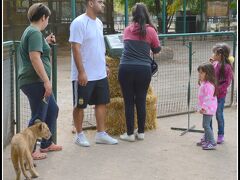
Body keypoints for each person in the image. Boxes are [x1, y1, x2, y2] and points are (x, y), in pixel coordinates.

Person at [69, 0, 118, 147]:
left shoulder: (99, 23)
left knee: (101, 102)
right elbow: (75, 48)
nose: (103, 4)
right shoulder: (78, 23)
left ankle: (101, 134)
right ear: (91, 3)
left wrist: (105, 65)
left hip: (100, 73)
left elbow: (99, 46)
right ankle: (79, 135)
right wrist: (82, 72)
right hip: (84, 75)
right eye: (100, 1)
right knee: (80, 105)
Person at [18, 3, 62, 160]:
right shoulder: (34, 33)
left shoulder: (32, 32)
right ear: (43, 17)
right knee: (38, 116)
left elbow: (36, 50)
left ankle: (46, 143)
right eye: (47, 18)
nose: (47, 21)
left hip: (33, 81)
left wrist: (45, 41)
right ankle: (30, 150)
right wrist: (46, 81)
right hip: (35, 81)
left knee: (52, 110)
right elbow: (35, 58)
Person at [118, 3, 161, 142]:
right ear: (146, 14)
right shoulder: (151, 31)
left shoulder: (127, 30)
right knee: (141, 100)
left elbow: (126, 47)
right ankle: (141, 132)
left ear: (133, 15)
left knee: (129, 101)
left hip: (126, 68)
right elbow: (157, 49)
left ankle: (130, 134)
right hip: (143, 69)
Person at [209, 43, 234, 144]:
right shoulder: (214, 64)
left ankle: (221, 134)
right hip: (211, 95)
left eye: (214, 53)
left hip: (220, 95)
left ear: (220, 55)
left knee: (219, 114)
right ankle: (209, 134)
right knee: (209, 114)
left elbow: (227, 82)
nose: (213, 55)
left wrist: (217, 90)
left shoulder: (227, 67)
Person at [196, 63, 218, 150]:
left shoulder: (208, 85)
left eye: (201, 73)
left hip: (208, 108)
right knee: (206, 124)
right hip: (207, 108)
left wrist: (203, 108)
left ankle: (212, 142)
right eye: (199, 73)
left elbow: (208, 99)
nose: (199, 75)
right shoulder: (204, 83)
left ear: (207, 74)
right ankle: (206, 139)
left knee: (205, 125)